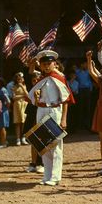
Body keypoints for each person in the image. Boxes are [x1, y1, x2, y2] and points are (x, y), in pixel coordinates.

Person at [28, 50, 73, 186]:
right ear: (40, 66)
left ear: (54, 64)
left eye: (49, 63)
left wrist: (63, 119)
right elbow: (30, 74)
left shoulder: (59, 78)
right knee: (43, 144)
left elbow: (66, 100)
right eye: (44, 64)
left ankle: (55, 176)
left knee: (55, 145)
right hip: (41, 109)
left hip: (54, 111)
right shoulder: (40, 79)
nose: (46, 66)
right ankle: (46, 176)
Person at [23, 72, 44, 173]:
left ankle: (41, 163)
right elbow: (29, 72)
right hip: (31, 115)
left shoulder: (44, 91)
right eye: (33, 80)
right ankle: (33, 163)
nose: (35, 82)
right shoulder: (31, 90)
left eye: (37, 80)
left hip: (41, 115)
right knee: (32, 139)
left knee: (41, 140)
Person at [0, 77, 11, 148]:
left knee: (3, 126)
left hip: (3, 110)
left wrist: (7, 108)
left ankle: (4, 143)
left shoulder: (3, 90)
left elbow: (8, 101)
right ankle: (3, 141)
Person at [12, 72, 29, 146]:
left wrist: (22, 87)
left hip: (24, 105)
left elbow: (27, 95)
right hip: (17, 105)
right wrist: (22, 96)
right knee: (18, 123)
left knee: (24, 122)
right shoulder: (14, 87)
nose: (20, 80)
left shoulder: (24, 86)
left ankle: (23, 138)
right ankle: (18, 139)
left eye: (21, 78)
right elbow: (13, 97)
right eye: (18, 79)